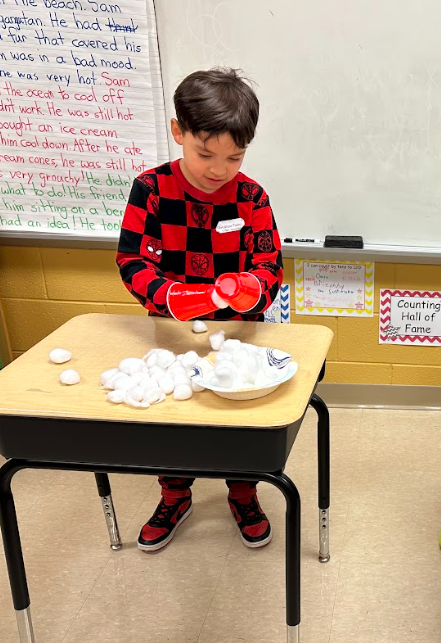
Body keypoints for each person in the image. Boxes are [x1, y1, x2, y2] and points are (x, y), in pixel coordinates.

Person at [116, 68, 282, 552]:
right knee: (175, 420)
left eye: (235, 156)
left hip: (241, 334)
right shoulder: (150, 189)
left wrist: (251, 288)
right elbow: (130, 261)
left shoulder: (251, 197)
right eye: (205, 153)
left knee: (238, 420)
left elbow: (270, 267)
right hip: (170, 332)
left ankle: (244, 492)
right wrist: (169, 295)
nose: (219, 168)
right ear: (177, 132)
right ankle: (175, 494)